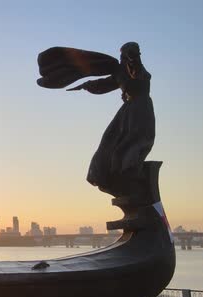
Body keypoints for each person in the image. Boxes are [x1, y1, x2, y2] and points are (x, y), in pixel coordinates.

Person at [37, 42, 155, 198]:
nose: (121, 59)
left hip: (140, 111)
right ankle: (111, 179)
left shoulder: (138, 69)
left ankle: (130, 177)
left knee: (128, 146)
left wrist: (133, 56)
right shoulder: (120, 73)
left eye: (123, 55)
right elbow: (104, 84)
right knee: (108, 143)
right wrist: (85, 85)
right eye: (121, 55)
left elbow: (135, 70)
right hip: (127, 111)